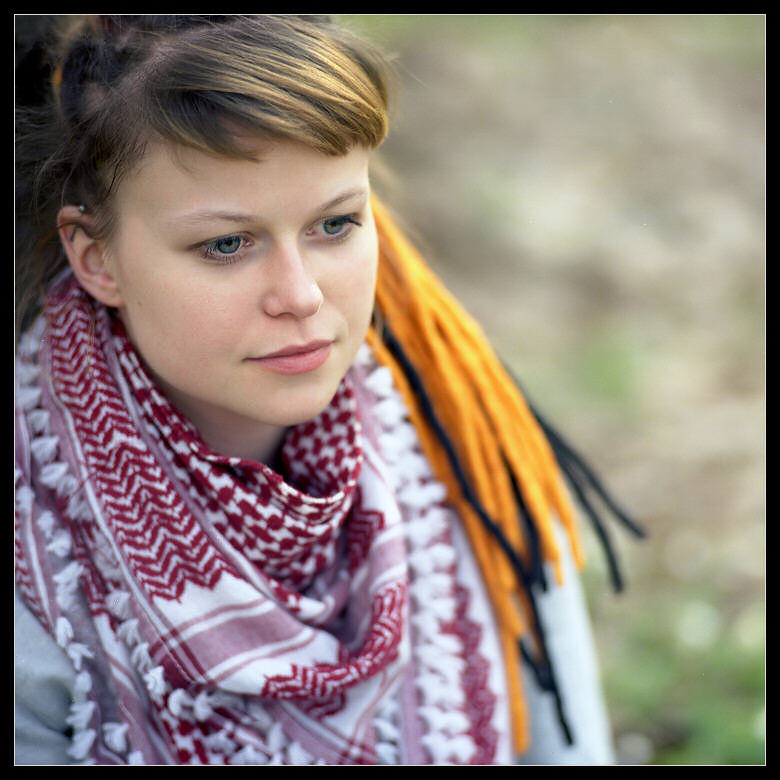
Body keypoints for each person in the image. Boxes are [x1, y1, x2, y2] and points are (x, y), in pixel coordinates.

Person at [15, 15, 636, 765]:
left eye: (335, 224)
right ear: (96, 259)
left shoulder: (470, 454)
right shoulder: (35, 565)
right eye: (226, 244)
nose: (301, 295)